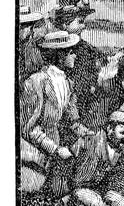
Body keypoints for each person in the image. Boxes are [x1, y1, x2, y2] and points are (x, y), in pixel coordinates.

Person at [21, 29, 91, 197]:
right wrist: (54, 149)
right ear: (60, 54)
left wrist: (87, 134)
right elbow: (28, 128)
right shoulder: (36, 82)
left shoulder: (68, 82)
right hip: (34, 155)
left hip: (56, 153)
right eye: (71, 52)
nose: (75, 56)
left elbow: (73, 120)